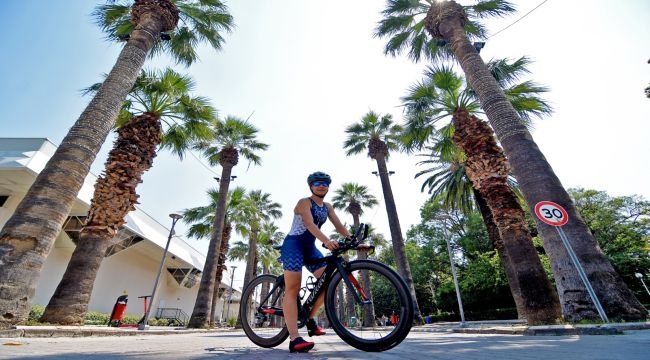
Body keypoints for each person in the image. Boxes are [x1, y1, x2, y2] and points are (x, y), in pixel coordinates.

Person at [279, 171, 352, 353]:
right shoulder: (304, 202)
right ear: (311, 186)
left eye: (325, 183)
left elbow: (339, 226)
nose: (321, 186)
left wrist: (353, 240)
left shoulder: (327, 206)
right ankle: (294, 339)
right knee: (293, 288)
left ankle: (310, 319)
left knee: (327, 282)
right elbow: (310, 224)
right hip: (293, 245)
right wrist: (327, 241)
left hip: (310, 247)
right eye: (317, 183)